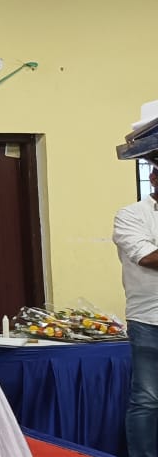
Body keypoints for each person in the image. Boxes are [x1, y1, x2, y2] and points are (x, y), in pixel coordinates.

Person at [113, 153, 158, 457]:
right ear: (153, 178)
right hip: (149, 321)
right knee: (148, 399)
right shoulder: (131, 215)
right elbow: (148, 258)